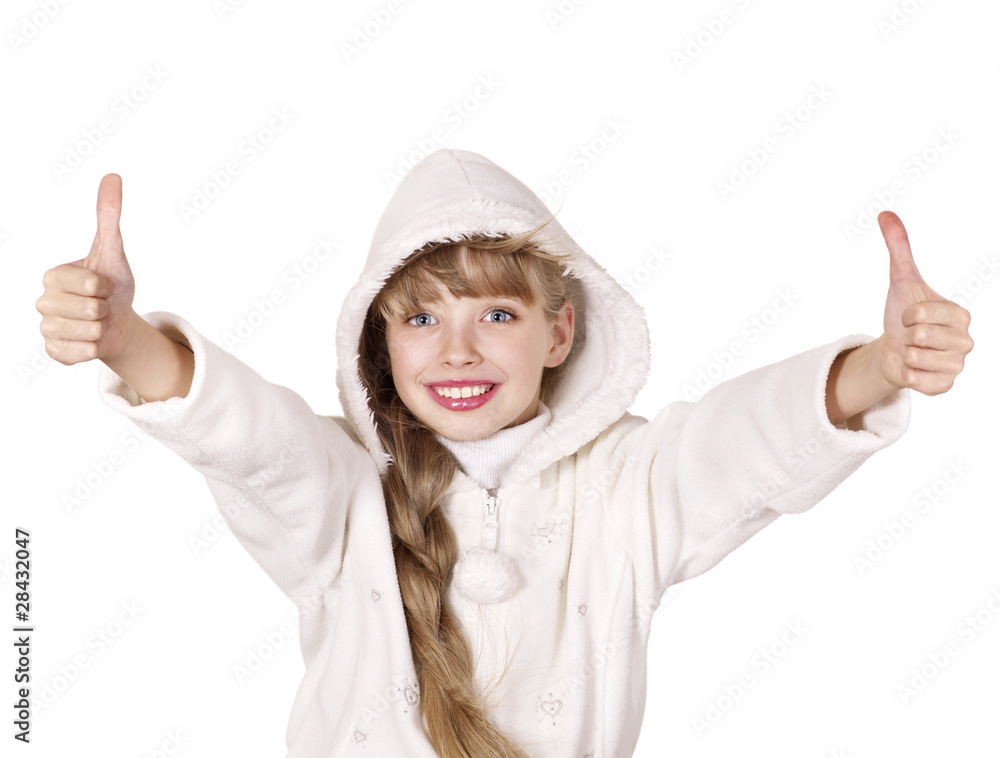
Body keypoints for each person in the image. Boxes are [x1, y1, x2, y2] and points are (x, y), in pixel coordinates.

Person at [36, 149, 973, 757]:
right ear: (380, 344)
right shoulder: (343, 497)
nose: (457, 351)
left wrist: (881, 368)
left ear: (558, 333)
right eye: (420, 317)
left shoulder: (625, 488)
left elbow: (744, 444)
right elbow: (249, 438)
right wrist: (125, 341)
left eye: (496, 313)